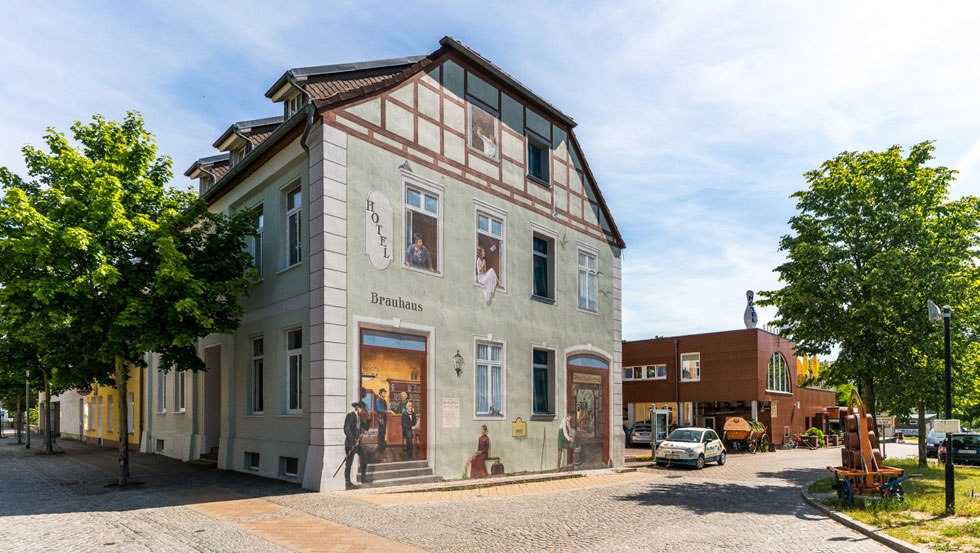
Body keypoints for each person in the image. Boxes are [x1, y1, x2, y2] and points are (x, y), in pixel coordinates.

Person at [343, 401, 372, 490]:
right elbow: (346, 430)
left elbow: (366, 428)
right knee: (349, 463)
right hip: (350, 444)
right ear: (357, 408)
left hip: (357, 444)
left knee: (364, 456)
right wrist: (354, 440)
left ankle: (363, 478)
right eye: (361, 409)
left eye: (363, 409)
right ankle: (348, 483)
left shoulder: (359, 417)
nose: (362, 411)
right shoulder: (350, 416)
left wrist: (369, 419)